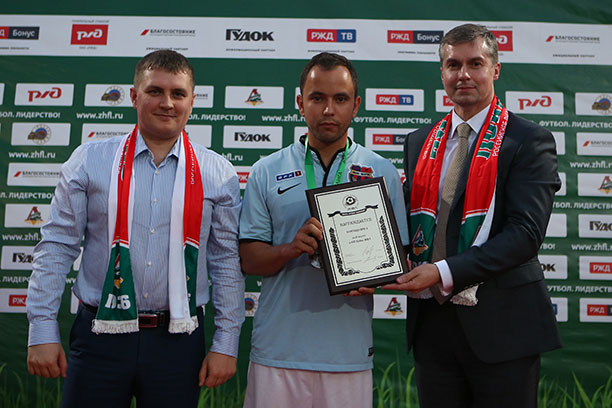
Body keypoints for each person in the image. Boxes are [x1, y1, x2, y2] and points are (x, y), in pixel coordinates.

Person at [26, 50, 245, 407]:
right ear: (133, 96)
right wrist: (41, 329)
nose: (167, 103)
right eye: (155, 91)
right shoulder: (90, 160)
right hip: (99, 335)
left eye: (178, 94)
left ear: (192, 101)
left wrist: (226, 342)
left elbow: (225, 262)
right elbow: (57, 245)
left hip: (178, 340)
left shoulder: (217, 173)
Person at [382, 24, 562, 407]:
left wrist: (442, 272)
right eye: (453, 65)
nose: (463, 74)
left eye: (475, 63)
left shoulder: (528, 140)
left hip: (503, 329)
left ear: (495, 69)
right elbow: (411, 226)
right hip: (432, 327)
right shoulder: (419, 142)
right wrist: (368, 266)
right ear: (442, 73)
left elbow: (525, 235)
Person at [239, 52, 408, 408]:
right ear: (300, 103)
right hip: (278, 353)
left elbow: (400, 262)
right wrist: (289, 248)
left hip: (348, 356)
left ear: (356, 106)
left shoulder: (382, 172)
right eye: (317, 98)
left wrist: (374, 277)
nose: (329, 110)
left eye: (340, 99)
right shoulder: (266, 170)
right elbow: (249, 260)